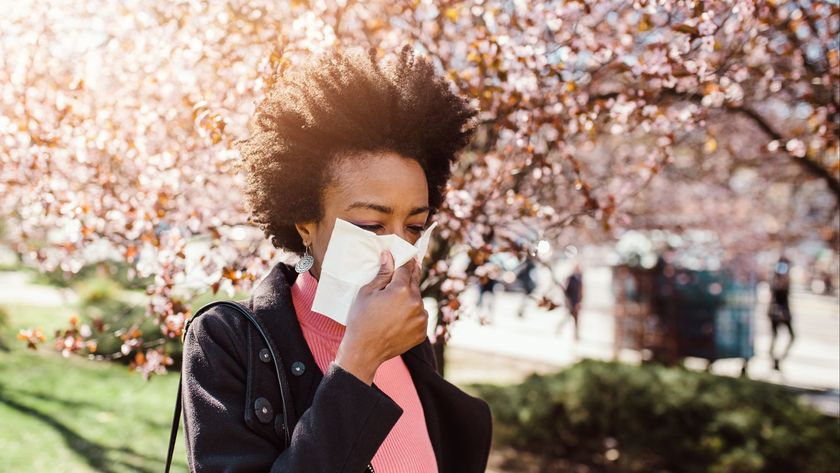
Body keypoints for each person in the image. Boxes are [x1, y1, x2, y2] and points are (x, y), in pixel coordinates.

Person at [181, 46, 492, 472]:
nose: (398, 248)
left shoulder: (408, 339)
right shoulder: (226, 341)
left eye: (415, 227)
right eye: (370, 225)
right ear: (306, 222)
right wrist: (358, 362)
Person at [768, 256, 795, 371]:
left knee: (787, 337)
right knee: (775, 337)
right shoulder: (778, 280)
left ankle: (777, 359)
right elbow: (777, 296)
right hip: (778, 312)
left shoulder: (784, 278)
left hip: (782, 311)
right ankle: (774, 360)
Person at [564, 264, 584, 340]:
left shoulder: (580, 279)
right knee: (568, 317)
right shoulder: (571, 278)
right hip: (571, 302)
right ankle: (559, 328)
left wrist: (579, 302)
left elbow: (581, 293)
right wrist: (568, 302)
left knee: (576, 320)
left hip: (576, 303)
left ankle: (576, 335)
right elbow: (567, 291)